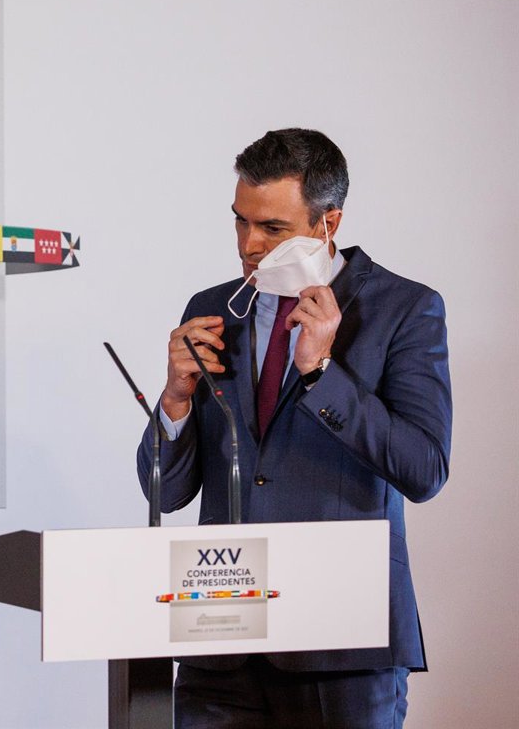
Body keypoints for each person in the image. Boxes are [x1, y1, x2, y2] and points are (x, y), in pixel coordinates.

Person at [136, 128, 452, 728]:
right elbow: (166, 493)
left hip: (344, 643)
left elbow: (424, 470)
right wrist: (175, 398)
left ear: (328, 223)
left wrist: (323, 372)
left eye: (272, 228)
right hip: (219, 641)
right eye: (240, 221)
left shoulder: (404, 308)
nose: (249, 244)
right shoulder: (211, 308)